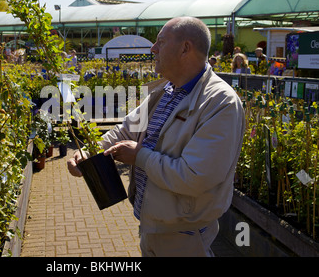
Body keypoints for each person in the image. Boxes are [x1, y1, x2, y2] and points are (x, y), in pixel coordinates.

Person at [67, 17, 245, 257]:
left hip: (183, 234)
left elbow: (195, 177)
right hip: (153, 224)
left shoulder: (219, 102)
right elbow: (126, 130)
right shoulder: (166, 90)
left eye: (161, 41)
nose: (153, 48)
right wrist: (89, 152)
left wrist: (139, 156)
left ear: (185, 48)